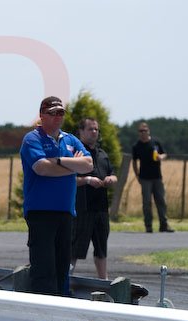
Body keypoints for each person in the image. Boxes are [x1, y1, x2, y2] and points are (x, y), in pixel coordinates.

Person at [20, 96, 92, 296]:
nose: (57, 117)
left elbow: (88, 164)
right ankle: (43, 308)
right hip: (40, 212)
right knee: (44, 267)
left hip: (66, 212)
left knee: (62, 266)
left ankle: (61, 303)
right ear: (42, 115)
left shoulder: (71, 139)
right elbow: (42, 168)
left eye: (60, 112)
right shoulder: (32, 138)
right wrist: (73, 165)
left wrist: (59, 160)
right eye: (52, 113)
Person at [71, 118, 117, 279]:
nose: (94, 132)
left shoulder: (102, 154)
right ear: (81, 131)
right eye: (90, 129)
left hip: (101, 209)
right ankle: (65, 281)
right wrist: (88, 180)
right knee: (75, 249)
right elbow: (68, 180)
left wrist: (111, 179)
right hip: (82, 208)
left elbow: (113, 174)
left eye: (96, 129)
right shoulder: (76, 154)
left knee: (101, 248)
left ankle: (104, 282)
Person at [132, 122, 173, 233]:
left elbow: (164, 154)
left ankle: (164, 225)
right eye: (140, 131)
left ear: (148, 131)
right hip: (144, 178)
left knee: (161, 201)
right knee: (147, 203)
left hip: (157, 177)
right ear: (138, 133)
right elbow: (134, 162)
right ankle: (148, 225)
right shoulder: (136, 146)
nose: (143, 133)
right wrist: (137, 175)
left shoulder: (155, 142)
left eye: (144, 130)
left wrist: (161, 157)